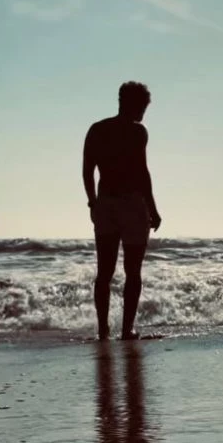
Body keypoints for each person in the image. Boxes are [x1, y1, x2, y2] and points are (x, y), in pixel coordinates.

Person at [83, 82, 161, 341]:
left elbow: (88, 170)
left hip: (106, 203)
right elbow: (142, 172)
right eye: (142, 107)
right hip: (130, 204)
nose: (143, 113)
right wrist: (153, 208)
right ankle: (126, 329)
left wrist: (93, 202)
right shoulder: (138, 132)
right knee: (131, 270)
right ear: (130, 104)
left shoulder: (97, 129)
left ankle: (105, 330)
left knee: (105, 271)